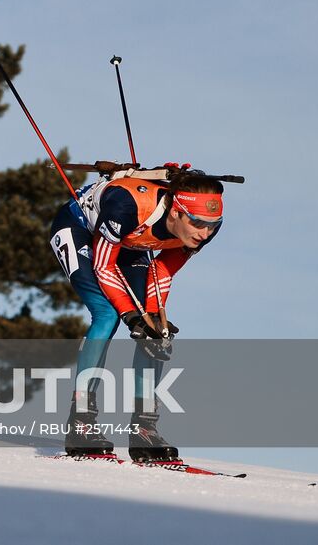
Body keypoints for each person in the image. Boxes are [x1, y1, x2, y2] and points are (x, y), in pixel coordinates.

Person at [48, 167, 225, 461]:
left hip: (130, 241)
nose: (205, 232)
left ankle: (144, 430)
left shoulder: (200, 231)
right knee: (107, 315)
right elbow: (104, 267)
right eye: (197, 222)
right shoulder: (126, 205)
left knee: (154, 333)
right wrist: (131, 317)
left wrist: (153, 318)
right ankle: (81, 422)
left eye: (213, 224)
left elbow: (164, 269)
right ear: (176, 213)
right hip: (80, 229)